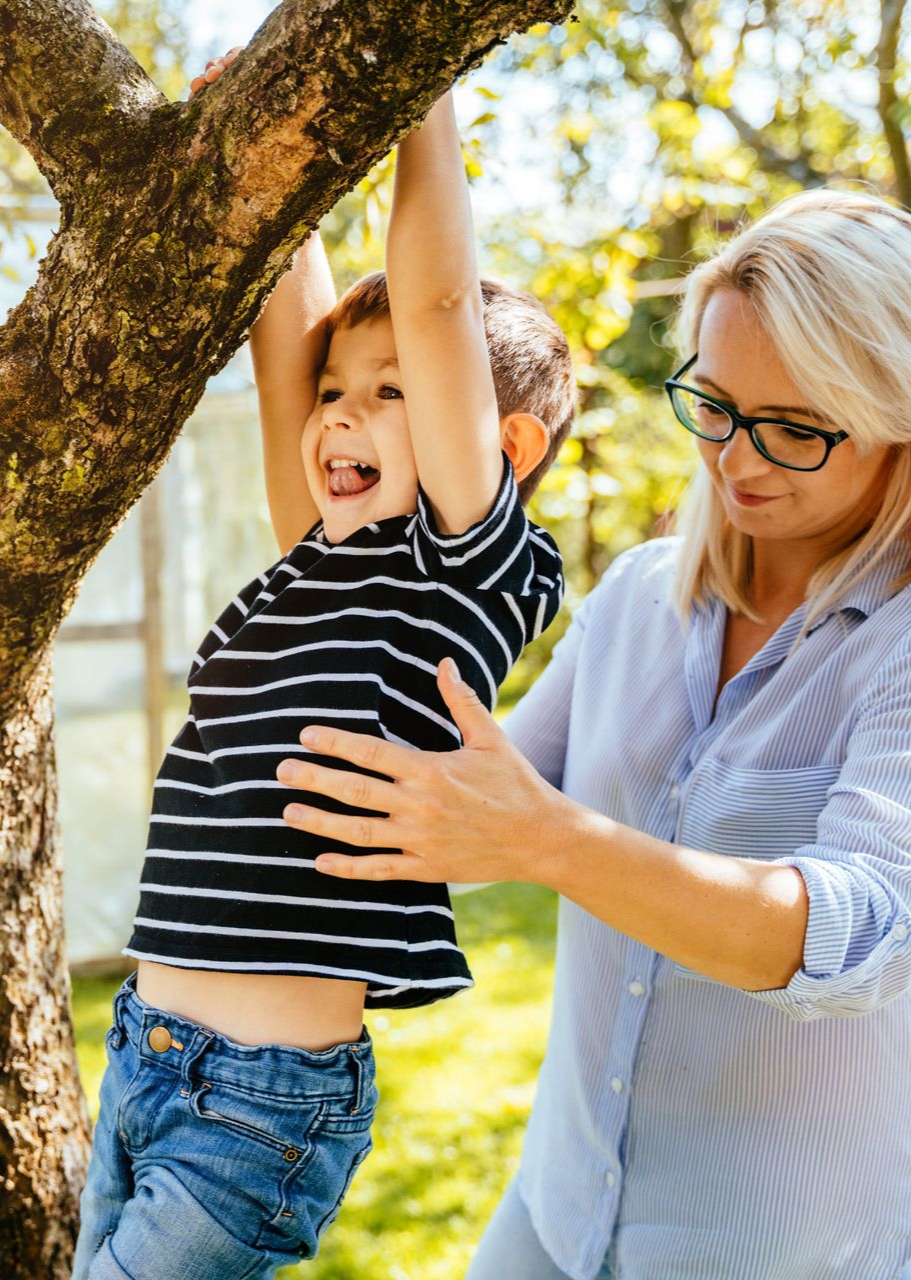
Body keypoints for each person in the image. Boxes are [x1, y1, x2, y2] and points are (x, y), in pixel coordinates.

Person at [278, 188, 911, 1279]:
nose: (737, 458)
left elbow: (865, 935)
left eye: (793, 427)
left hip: (779, 1252)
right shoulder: (644, 595)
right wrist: (281, 234)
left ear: (904, 414)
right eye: (715, 404)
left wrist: (552, 843)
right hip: (558, 1214)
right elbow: (466, 794)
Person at [71, 51, 576, 1280]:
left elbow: (442, 301)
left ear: (498, 443)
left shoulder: (462, 567)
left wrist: (421, 80)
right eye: (339, 392)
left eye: (390, 392)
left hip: (259, 1105)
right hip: (141, 1052)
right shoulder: (316, 555)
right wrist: (258, 140)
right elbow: (282, 349)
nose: (338, 413)